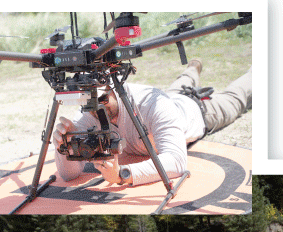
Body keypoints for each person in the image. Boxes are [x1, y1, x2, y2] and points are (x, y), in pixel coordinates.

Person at [52, 59, 251, 187]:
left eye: (101, 100)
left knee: (237, 97)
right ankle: (192, 68)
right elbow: (69, 175)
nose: (96, 109)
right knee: (180, 84)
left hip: (198, 111)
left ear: (116, 89)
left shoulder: (152, 104)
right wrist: (63, 148)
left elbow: (177, 161)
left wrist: (122, 175)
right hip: (170, 98)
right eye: (88, 103)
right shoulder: (89, 115)